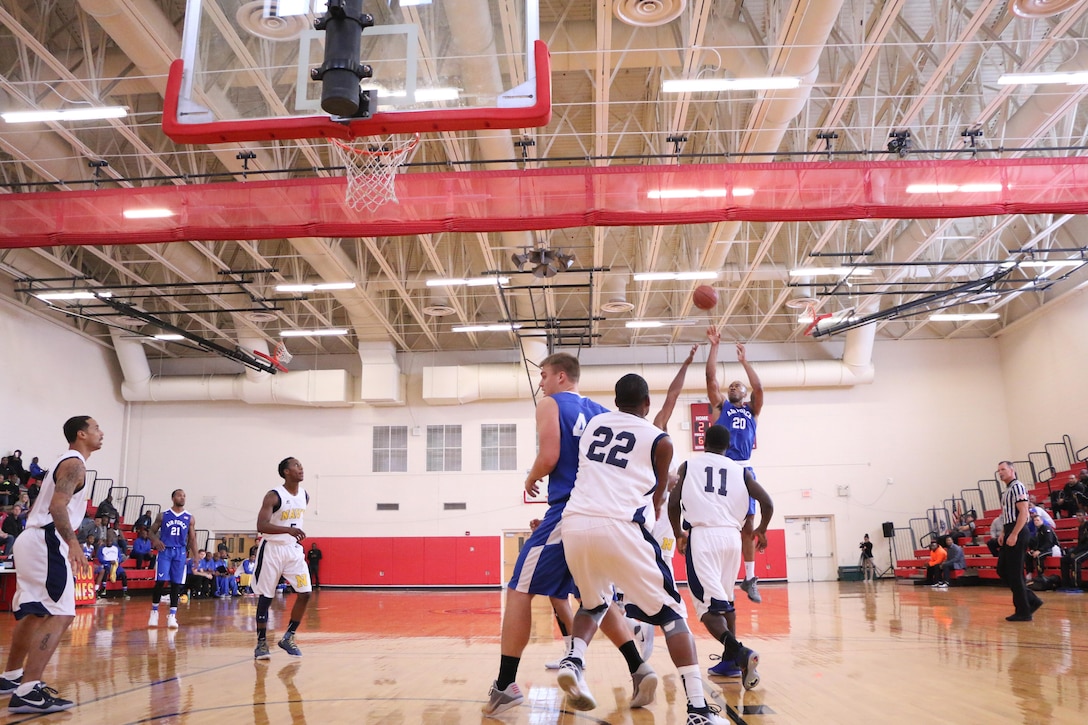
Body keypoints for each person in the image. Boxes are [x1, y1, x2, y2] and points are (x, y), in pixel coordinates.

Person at [557, 374, 733, 724]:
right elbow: (657, 494)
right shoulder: (661, 440)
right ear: (647, 404)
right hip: (622, 525)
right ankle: (697, 709)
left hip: (575, 522)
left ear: (616, 399)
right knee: (673, 615)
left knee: (593, 603)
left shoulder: (594, 424)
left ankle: (574, 659)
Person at [483, 353, 647, 716]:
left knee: (519, 590)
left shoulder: (551, 404)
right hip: (605, 514)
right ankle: (639, 668)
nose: (540, 382)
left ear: (560, 376)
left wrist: (531, 477)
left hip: (569, 511)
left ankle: (505, 683)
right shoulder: (602, 412)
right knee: (595, 601)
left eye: (543, 375)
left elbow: (551, 455)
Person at [1, 416, 102, 713]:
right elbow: (57, 506)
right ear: (81, 434)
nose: (101, 432)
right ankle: (30, 690)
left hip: (31, 538)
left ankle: (10, 678)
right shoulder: (74, 463)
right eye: (96, 428)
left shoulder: (66, 461)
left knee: (34, 613)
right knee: (61, 612)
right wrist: (72, 542)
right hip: (48, 539)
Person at [669, 423, 772, 689]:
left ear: (703, 441)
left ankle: (739, 652)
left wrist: (678, 532)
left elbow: (673, 502)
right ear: (728, 447)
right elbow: (767, 503)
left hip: (703, 537)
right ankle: (729, 661)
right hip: (732, 539)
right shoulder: (741, 470)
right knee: (725, 600)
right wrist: (761, 528)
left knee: (706, 609)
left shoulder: (689, 466)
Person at [705, 328, 764, 604]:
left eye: (738, 385)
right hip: (721, 468)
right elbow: (710, 377)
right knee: (718, 522)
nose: (733, 386)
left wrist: (744, 361)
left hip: (744, 468)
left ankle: (749, 577)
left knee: (748, 523)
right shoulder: (721, 407)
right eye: (731, 385)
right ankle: (715, 575)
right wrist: (714, 347)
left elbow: (760, 388)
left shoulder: (752, 409)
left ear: (745, 393)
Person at [253, 457, 313, 660]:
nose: (301, 468)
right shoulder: (273, 496)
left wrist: (291, 533)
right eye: (296, 465)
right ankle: (261, 642)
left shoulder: (304, 495)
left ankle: (288, 637)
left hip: (293, 550)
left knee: (305, 593)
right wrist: (287, 529)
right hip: (272, 549)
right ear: (286, 472)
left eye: (301, 465)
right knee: (266, 597)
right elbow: (261, 525)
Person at [995, 461, 1043, 622]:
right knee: (1002, 569)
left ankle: (1024, 611)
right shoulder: (1006, 490)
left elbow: (1023, 513)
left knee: (1015, 573)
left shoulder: (1018, 487)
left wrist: (1014, 534)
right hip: (1009, 528)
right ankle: (1031, 600)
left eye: (1003, 469)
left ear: (1012, 470)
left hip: (1019, 530)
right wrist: (1003, 531)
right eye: (998, 470)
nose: (1000, 472)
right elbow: (1006, 514)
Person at [148, 489, 197, 629]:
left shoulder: (189, 517)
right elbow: (151, 531)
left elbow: (193, 538)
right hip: (165, 551)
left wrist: (195, 556)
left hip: (180, 553)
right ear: (173, 498)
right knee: (161, 581)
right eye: (179, 495)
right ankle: (154, 612)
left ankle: (172, 616)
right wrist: (156, 541)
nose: (182, 497)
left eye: (184, 496)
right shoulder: (163, 516)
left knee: (176, 584)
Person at [1026, 514, 1059, 581]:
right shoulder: (1037, 531)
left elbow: (1049, 542)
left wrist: (1039, 550)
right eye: (1034, 520)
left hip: (1051, 548)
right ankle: (1030, 573)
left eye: (1037, 520)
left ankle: (1040, 575)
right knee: (1028, 555)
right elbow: (1037, 542)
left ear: (1042, 521)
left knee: (1039, 556)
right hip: (1042, 548)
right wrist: (1033, 550)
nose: (1036, 522)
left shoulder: (1046, 528)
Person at [1059, 514, 1088, 589]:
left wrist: (1075, 552)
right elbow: (1080, 543)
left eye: (1080, 515)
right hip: (1081, 549)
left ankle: (1076, 585)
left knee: (1076, 560)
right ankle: (1066, 584)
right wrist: (1074, 551)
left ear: (1084, 516)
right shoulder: (1080, 527)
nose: (1078, 517)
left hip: (1086, 549)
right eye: (1077, 515)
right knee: (1064, 559)